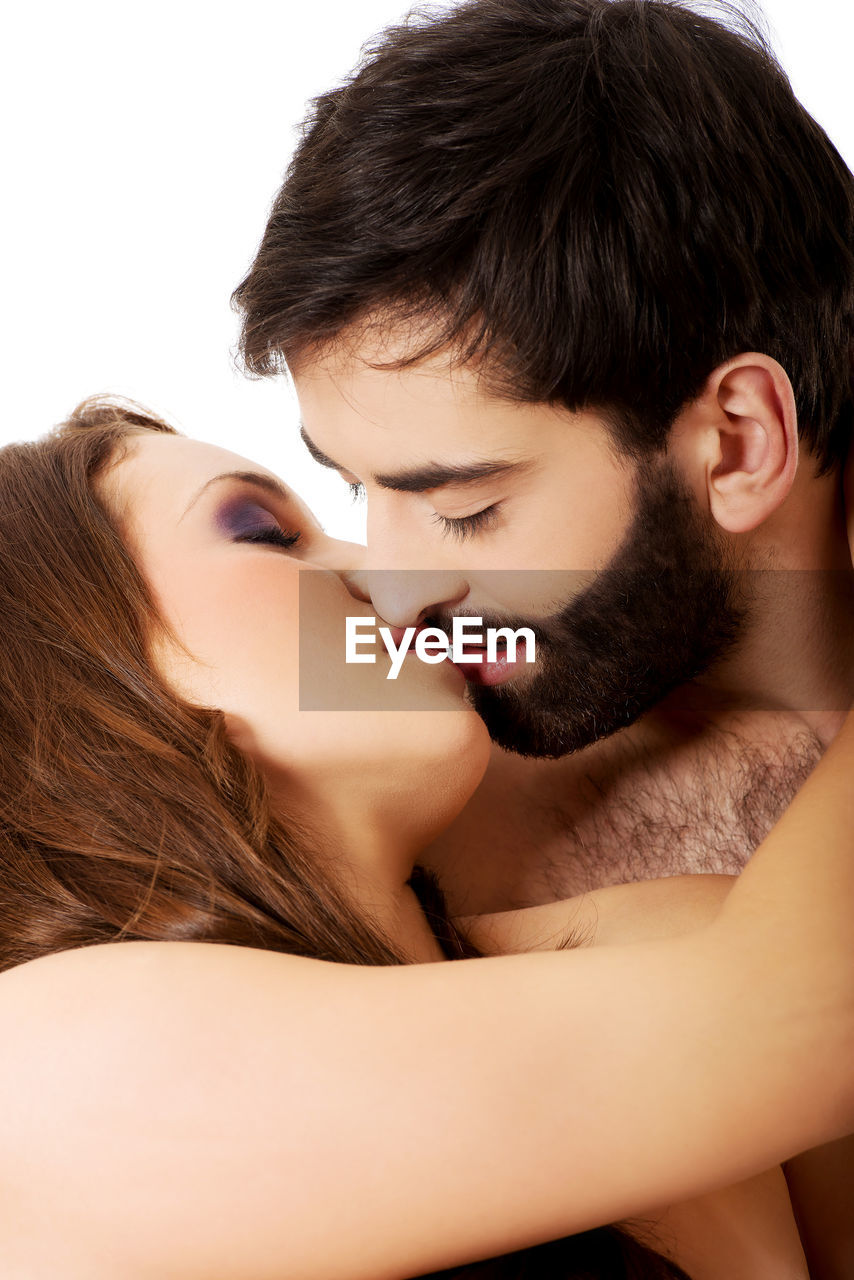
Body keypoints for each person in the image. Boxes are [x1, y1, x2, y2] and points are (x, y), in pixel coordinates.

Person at [0, 398, 852, 1279]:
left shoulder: (671, 941)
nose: (390, 576)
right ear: (66, 670)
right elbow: (810, 1017)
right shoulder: (37, 1070)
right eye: (263, 531)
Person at [232, 0, 854, 917]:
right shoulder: (405, 811)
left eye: (464, 508)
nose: (391, 591)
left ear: (738, 444)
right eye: (352, 487)